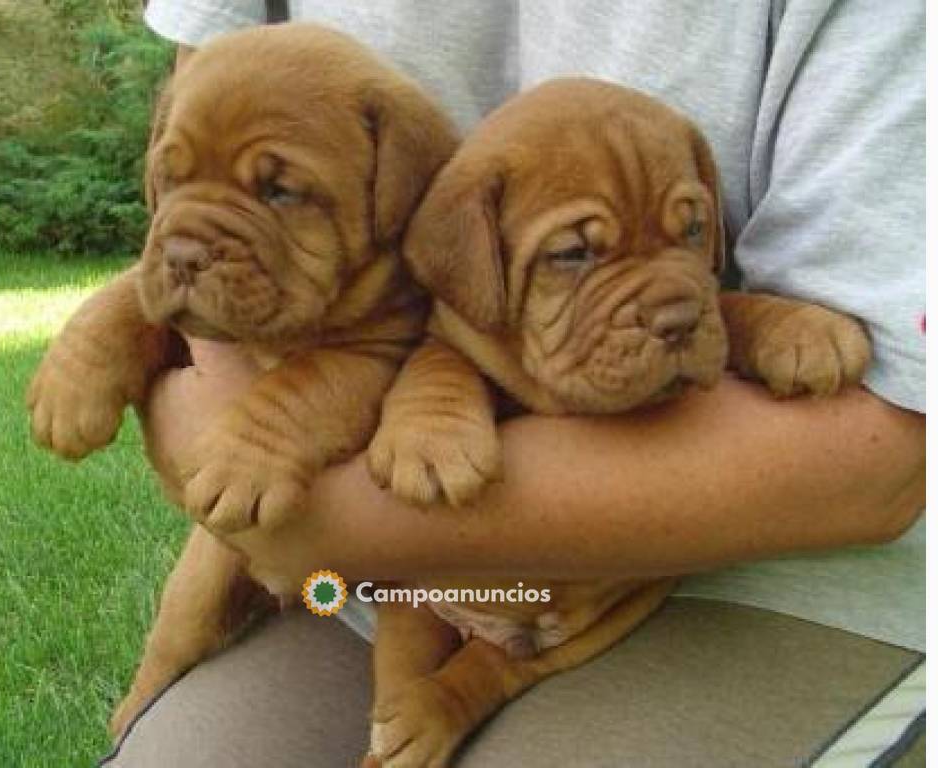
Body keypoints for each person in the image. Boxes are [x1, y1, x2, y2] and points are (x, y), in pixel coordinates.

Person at [101, 2, 925, 766]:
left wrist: (334, 530)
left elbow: (887, 461)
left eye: (689, 232)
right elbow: (197, 175)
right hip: (349, 584)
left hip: (763, 580)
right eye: (575, 253)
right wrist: (238, 443)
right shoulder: (443, 320)